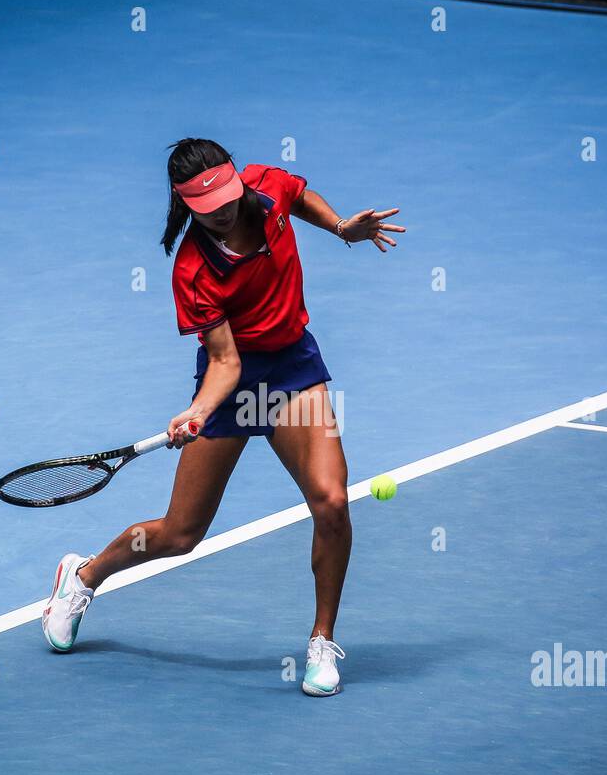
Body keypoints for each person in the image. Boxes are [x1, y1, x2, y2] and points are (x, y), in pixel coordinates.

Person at [42, 138, 404, 696]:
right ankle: (84, 575)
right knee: (180, 534)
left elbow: (299, 196)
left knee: (331, 502)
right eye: (211, 208)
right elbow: (225, 361)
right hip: (232, 384)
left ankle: (321, 641)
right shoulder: (192, 269)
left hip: (293, 372)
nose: (227, 211)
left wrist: (339, 228)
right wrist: (200, 411)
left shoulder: (265, 186)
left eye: (230, 198)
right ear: (187, 205)